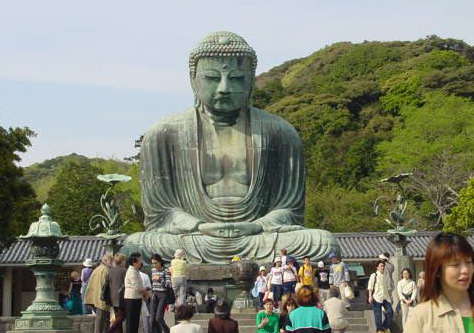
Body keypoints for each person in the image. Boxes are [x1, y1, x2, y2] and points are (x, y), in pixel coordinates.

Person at [121, 31, 340, 264]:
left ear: (251, 80)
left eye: (236, 78)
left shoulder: (281, 132)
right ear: (193, 79)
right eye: (212, 78)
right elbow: (161, 213)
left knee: (323, 242)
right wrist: (200, 226)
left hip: (258, 235)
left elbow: (290, 210)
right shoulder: (164, 133)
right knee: (135, 245)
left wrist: (256, 226)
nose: (224, 88)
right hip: (194, 237)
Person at [405, 232, 474, 333]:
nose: (465, 270)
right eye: (455, 264)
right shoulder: (421, 316)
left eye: (469, 262)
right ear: (437, 270)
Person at [84, 254, 113, 333]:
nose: (112, 263)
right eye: (111, 261)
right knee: (102, 320)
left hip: (95, 298)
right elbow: (106, 286)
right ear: (105, 261)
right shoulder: (105, 270)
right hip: (103, 298)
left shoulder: (97, 269)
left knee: (100, 319)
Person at [368, 260, 393, 333]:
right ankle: (379, 329)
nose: (383, 267)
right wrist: (370, 296)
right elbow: (370, 287)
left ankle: (385, 327)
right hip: (376, 297)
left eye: (383, 266)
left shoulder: (386, 275)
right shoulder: (374, 275)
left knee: (390, 312)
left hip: (386, 297)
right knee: (378, 315)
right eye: (381, 266)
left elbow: (389, 287)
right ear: (377, 267)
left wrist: (391, 297)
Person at [124, 252, 146, 333]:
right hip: (131, 298)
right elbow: (137, 286)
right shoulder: (132, 271)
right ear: (134, 262)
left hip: (136, 298)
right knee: (131, 321)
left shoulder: (135, 270)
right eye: (139, 261)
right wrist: (144, 292)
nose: (141, 262)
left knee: (135, 320)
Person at [150, 253, 171, 333]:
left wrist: (159, 279)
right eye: (153, 263)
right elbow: (153, 283)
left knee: (158, 318)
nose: (154, 265)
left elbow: (168, 285)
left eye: (155, 263)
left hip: (163, 295)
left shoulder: (166, 270)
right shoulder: (153, 270)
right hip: (154, 294)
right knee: (152, 319)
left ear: (160, 262)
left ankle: (167, 331)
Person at [107, 253, 127, 333]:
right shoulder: (124, 271)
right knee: (122, 316)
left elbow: (107, 283)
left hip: (112, 296)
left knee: (118, 316)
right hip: (122, 297)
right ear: (122, 261)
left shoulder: (110, 270)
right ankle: (109, 330)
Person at [139, 262, 152, 333]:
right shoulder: (145, 276)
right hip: (144, 298)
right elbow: (149, 288)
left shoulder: (129, 275)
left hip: (132, 299)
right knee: (145, 317)